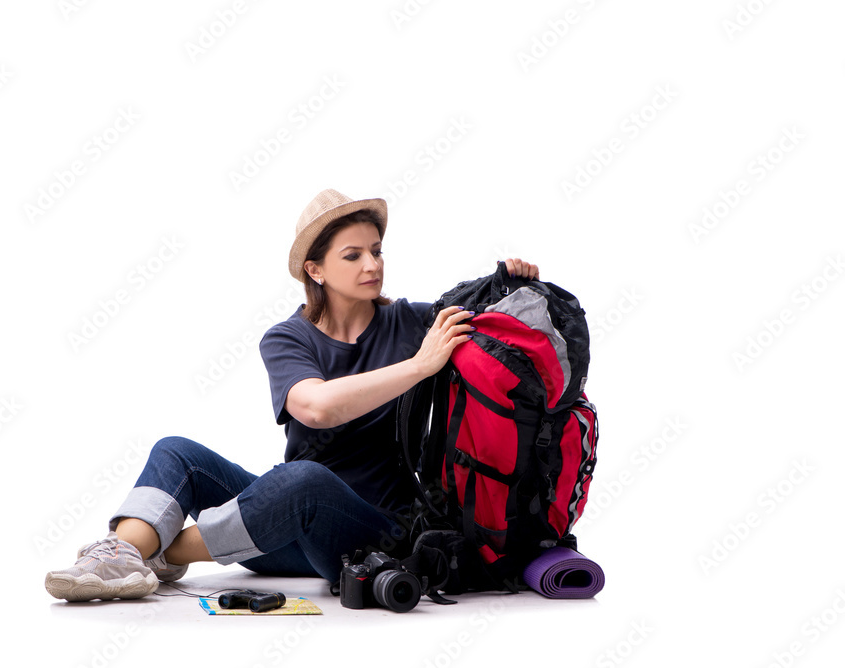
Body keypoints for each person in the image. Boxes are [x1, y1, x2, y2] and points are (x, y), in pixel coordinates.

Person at [44, 189, 539, 602]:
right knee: (177, 452)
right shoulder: (287, 338)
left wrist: (514, 286)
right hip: (278, 528)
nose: (372, 264)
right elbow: (317, 407)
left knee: (304, 481)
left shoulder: (412, 322)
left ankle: (154, 552)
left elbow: (494, 326)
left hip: (372, 532)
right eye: (353, 255)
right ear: (315, 270)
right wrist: (419, 366)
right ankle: (118, 556)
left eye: (377, 251)